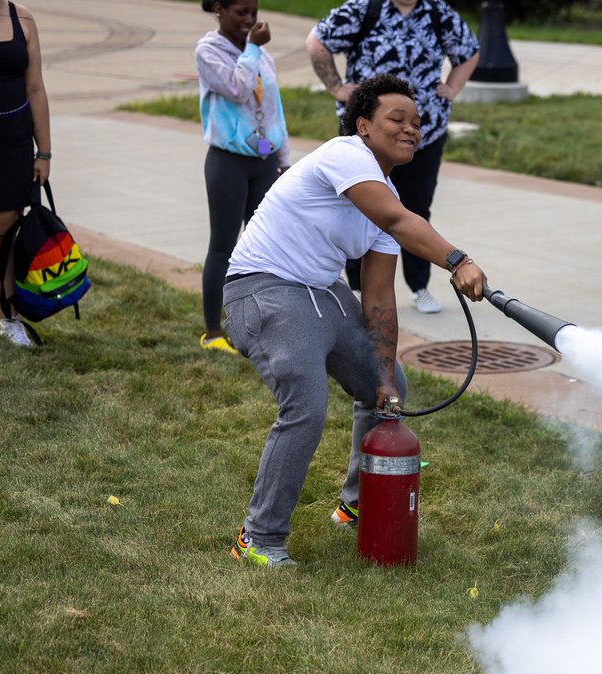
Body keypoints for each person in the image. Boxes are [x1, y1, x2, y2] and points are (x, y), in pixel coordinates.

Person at [223, 75, 487, 568]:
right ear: (363, 125)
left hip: (322, 294)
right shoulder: (345, 155)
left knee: (388, 392)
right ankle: (258, 538)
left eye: (417, 122)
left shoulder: (383, 193)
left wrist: (383, 377)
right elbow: (396, 222)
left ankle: (357, 505)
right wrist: (456, 260)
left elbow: (380, 298)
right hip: (262, 289)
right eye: (397, 119)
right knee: (306, 406)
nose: (411, 129)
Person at [307, 0, 479, 315]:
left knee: (416, 207)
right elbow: (317, 39)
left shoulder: (438, 13)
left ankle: (419, 286)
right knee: (361, 208)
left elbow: (469, 50)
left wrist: (453, 86)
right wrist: (335, 87)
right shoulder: (364, 9)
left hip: (422, 136)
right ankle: (357, 287)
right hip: (368, 136)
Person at [195, 0, 290, 355]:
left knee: (265, 247)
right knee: (223, 246)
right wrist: (252, 48)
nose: (249, 19)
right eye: (240, 12)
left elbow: (274, 108)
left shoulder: (262, 55)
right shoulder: (208, 51)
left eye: (253, 10)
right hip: (228, 162)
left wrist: (283, 159)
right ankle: (212, 331)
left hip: (263, 162)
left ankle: (261, 324)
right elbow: (237, 88)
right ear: (218, 9)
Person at [0, 1, 48, 348]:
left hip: (14, 143)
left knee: (8, 223)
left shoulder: (23, 18)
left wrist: (43, 151)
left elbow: (35, 88)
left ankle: (7, 316)